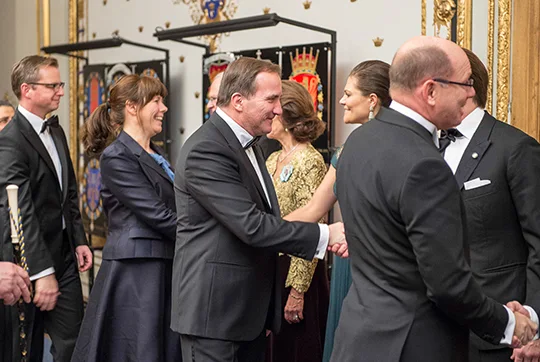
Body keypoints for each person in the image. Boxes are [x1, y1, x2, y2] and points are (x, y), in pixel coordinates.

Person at [332, 36, 537, 362]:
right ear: (430, 91)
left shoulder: (357, 143)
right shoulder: (422, 162)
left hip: (360, 340)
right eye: (465, 84)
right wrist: (510, 324)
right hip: (415, 344)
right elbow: (447, 284)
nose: (472, 93)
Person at [172, 56, 347, 362]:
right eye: (272, 99)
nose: (279, 109)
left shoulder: (252, 144)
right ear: (238, 101)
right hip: (216, 315)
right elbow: (252, 226)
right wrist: (325, 234)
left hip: (245, 314)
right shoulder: (207, 149)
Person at [283, 59, 391, 362]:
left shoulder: (400, 147)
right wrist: (260, 227)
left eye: (348, 93)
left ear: (372, 100)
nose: (341, 100)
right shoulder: (344, 151)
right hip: (347, 259)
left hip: (380, 260)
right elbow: (313, 209)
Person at [72, 74, 182, 362]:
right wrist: (203, 234)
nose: (163, 108)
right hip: (137, 270)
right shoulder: (117, 156)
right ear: (133, 107)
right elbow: (156, 214)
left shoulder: (155, 153)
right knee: (139, 349)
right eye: (156, 101)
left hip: (161, 263)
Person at [440, 48, 540, 362]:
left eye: (434, 83)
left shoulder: (516, 149)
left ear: (465, 88)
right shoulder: (424, 149)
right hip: (435, 331)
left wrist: (534, 325)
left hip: (500, 335)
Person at [0, 55, 92, 362]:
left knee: (75, 344)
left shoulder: (57, 131)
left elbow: (68, 193)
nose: (61, 92)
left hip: (65, 256)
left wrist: (78, 238)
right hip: (27, 265)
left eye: (60, 84)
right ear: (27, 90)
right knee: (27, 350)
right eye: (53, 85)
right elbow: (21, 212)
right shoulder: (9, 141)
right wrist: (41, 272)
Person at [265, 80, 328, 362]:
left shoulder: (309, 160)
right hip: (272, 267)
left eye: (273, 110)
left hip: (298, 270)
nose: (268, 115)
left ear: (287, 116)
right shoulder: (273, 158)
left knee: (296, 351)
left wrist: (298, 290)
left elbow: (312, 226)